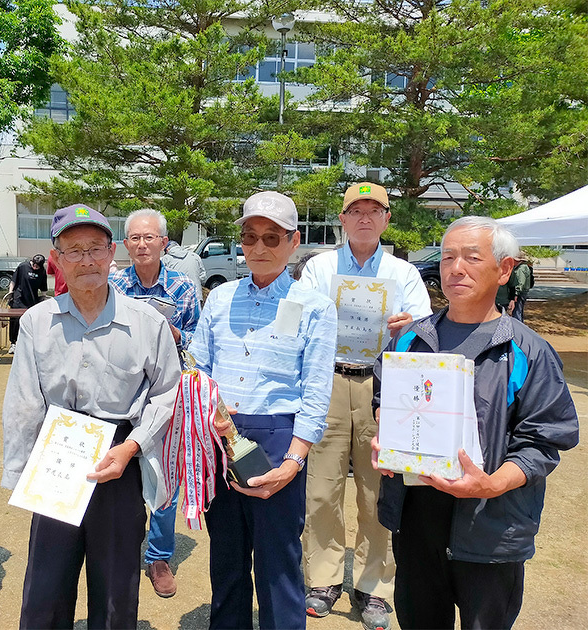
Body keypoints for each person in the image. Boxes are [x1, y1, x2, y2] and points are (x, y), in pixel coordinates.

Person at [372, 216, 579, 629]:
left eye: (471, 257)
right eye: (447, 257)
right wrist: (387, 437)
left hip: (491, 523)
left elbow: (544, 440)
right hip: (416, 519)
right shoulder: (411, 339)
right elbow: (384, 400)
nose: (455, 268)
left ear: (504, 269)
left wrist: (492, 483)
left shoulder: (527, 350)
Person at [2, 203, 181, 629]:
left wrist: (132, 447)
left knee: (117, 582)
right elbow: (25, 400)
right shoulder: (37, 322)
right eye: (74, 250)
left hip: (119, 459)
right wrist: (21, 474)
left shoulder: (146, 323)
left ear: (112, 253)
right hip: (55, 457)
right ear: (57, 259)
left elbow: (167, 393)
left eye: (96, 248)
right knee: (46, 582)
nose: (87, 260)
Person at [188, 191, 337, 629]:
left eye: (271, 238)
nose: (258, 247)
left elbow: (315, 391)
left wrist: (294, 460)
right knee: (227, 558)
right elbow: (199, 367)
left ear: (293, 243)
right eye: (250, 236)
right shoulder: (219, 299)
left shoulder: (314, 306)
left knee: (278, 562)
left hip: (278, 439)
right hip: (220, 436)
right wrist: (208, 413)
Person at [297, 182, 431, 629]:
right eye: (356, 210)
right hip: (328, 381)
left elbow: (423, 330)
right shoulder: (319, 267)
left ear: (387, 219)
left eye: (376, 210)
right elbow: (299, 318)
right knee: (321, 487)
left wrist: (408, 323)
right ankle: (323, 578)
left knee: (377, 491)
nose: (365, 217)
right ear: (342, 218)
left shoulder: (403, 273)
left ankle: (374, 587)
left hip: (383, 385)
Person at [108, 208, 199, 598]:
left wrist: (173, 332)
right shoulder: (111, 283)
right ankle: (121, 550)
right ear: (124, 244)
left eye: (150, 238)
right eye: (135, 238)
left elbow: (197, 344)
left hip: (165, 392)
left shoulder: (182, 288)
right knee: (120, 473)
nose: (142, 244)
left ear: (164, 242)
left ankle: (158, 556)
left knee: (165, 477)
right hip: (118, 392)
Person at [8, 253, 49, 352]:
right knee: (15, 320)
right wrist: (10, 292)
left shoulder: (42, 272)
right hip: (19, 298)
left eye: (37, 266)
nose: (35, 267)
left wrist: (44, 299)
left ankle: (28, 344)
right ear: (32, 262)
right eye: (34, 265)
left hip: (31, 300)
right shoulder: (23, 266)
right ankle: (13, 343)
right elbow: (13, 280)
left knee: (30, 321)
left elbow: (43, 288)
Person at [162, 239, 206, 304]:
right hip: (196, 295)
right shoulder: (195, 256)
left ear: (167, 250)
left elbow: (162, 279)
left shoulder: (166, 259)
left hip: (176, 298)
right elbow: (203, 277)